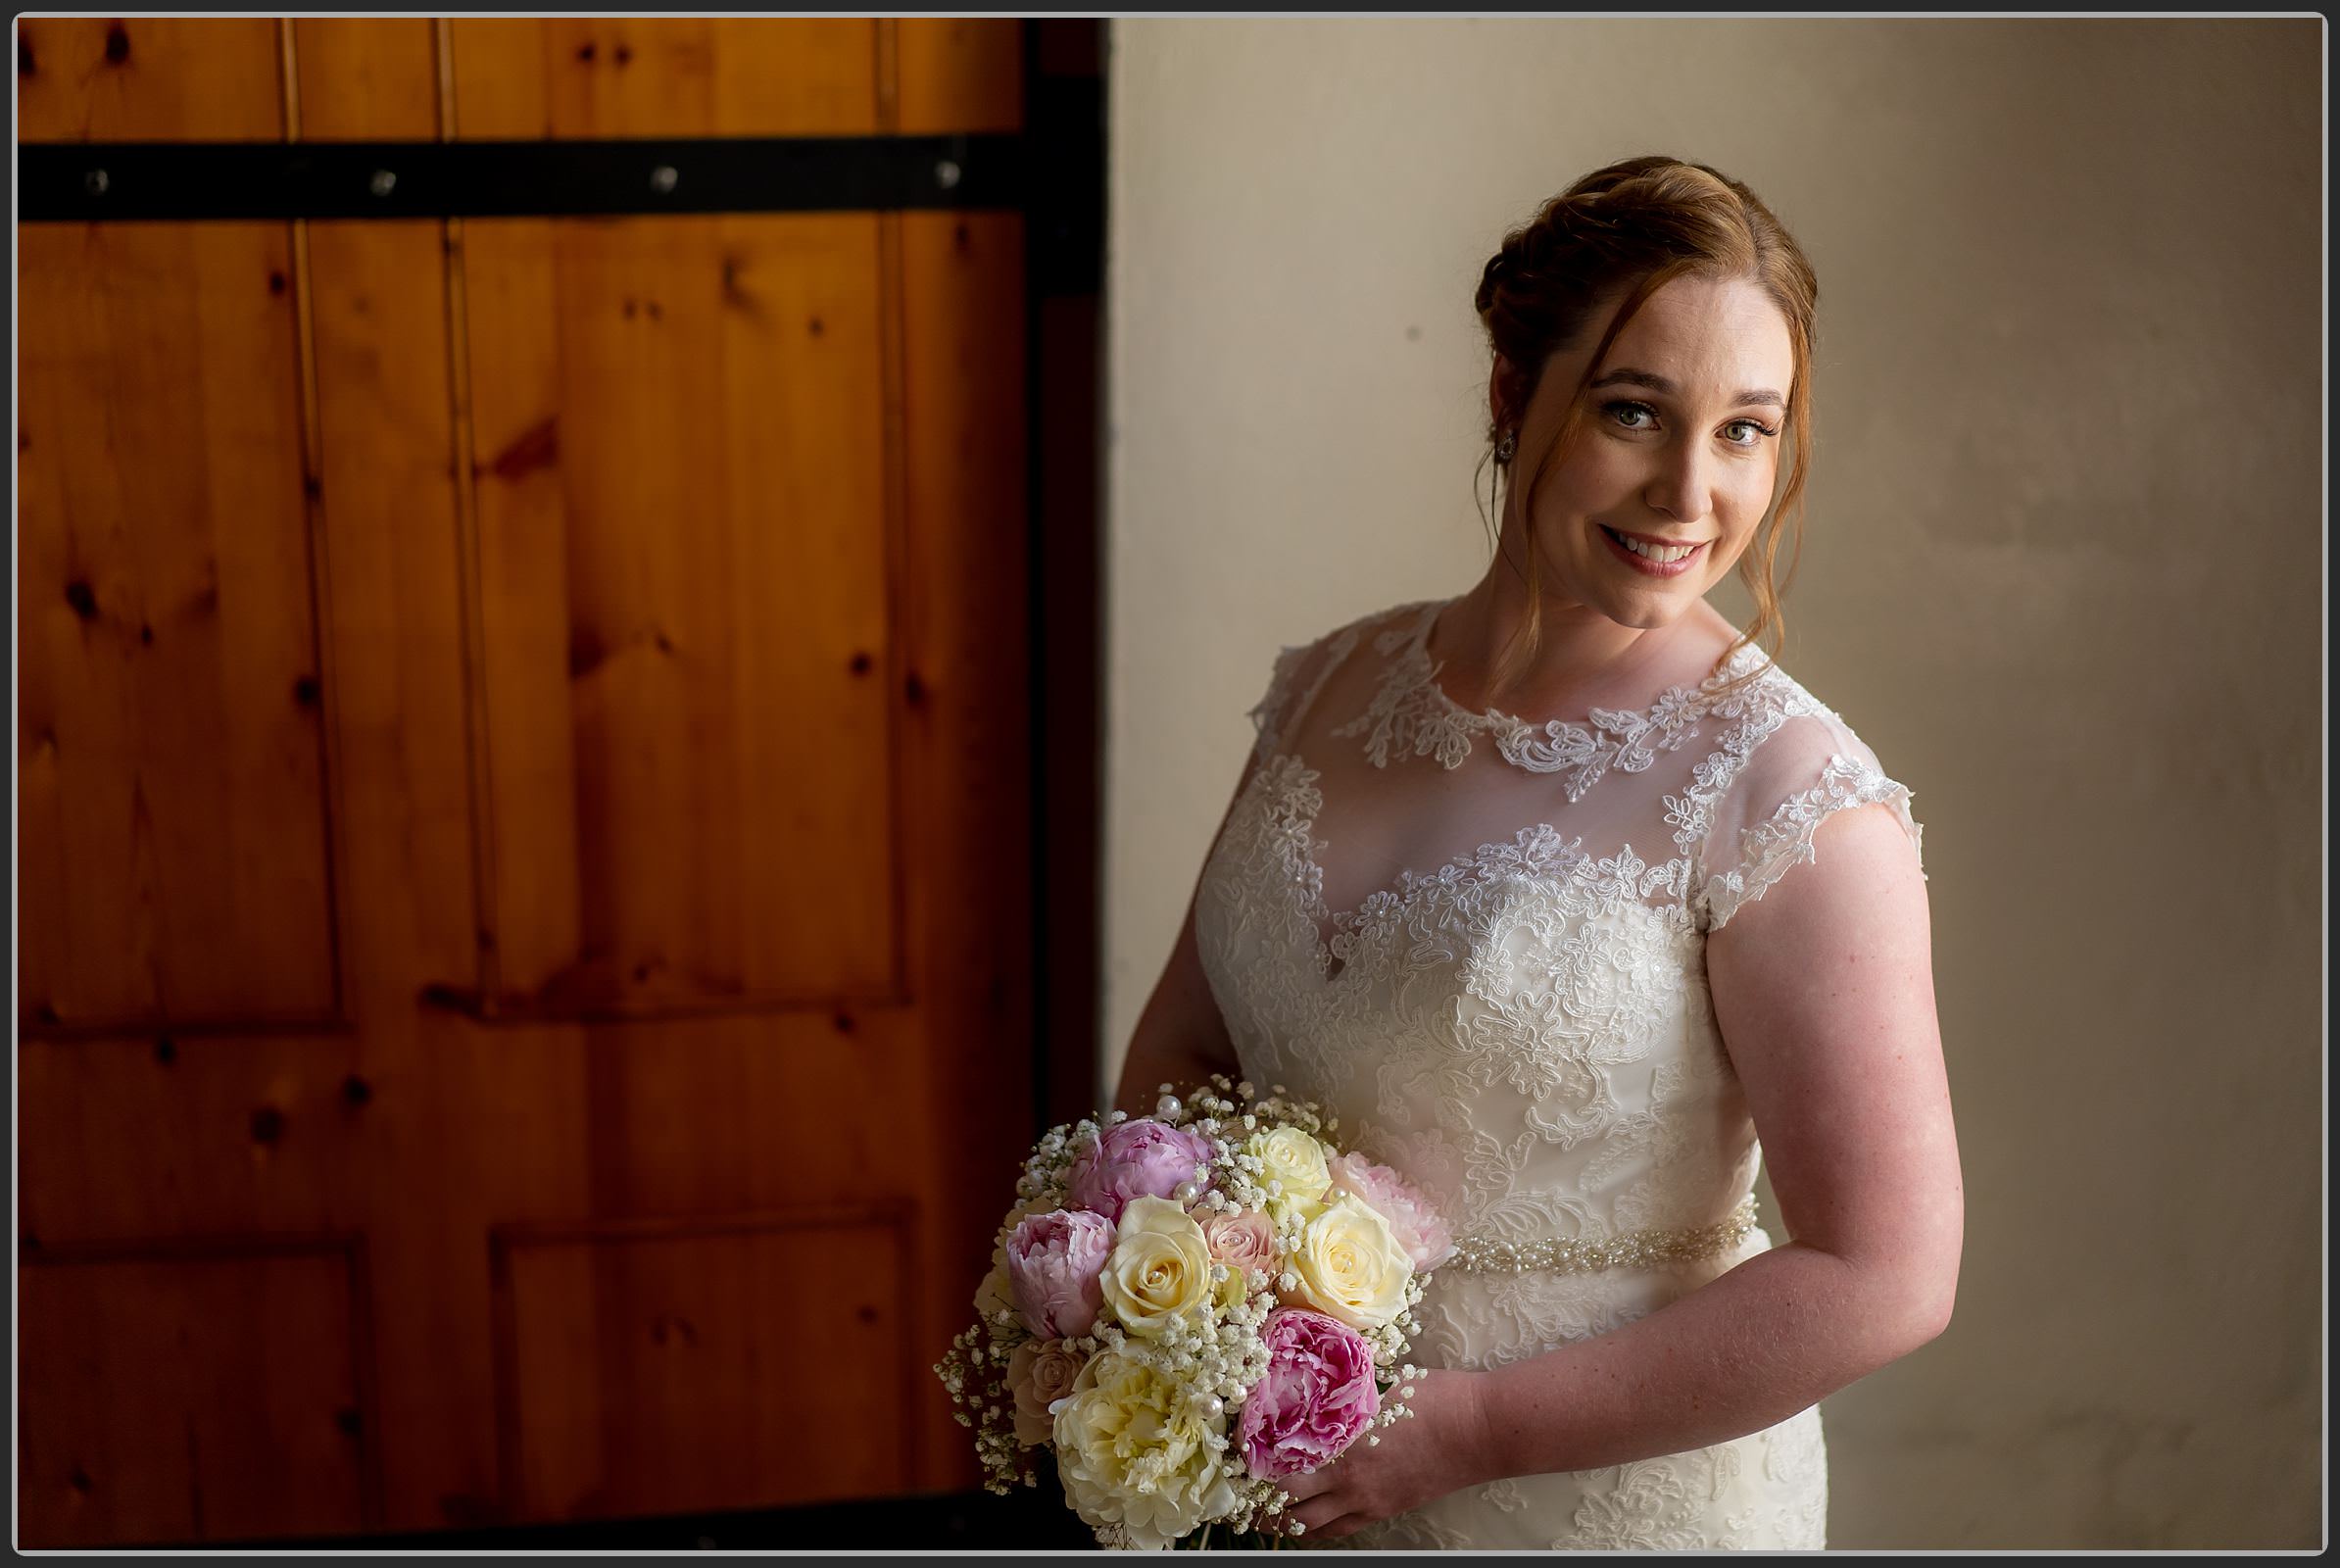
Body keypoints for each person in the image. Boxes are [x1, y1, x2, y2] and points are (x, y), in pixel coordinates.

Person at [1110, 155, 1960, 1549]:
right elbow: (1188, 1055)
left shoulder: (1792, 793)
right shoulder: (1328, 684)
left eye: (1749, 430)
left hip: (1597, 1514)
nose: (1693, 492)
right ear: (1514, 394)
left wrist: (1474, 1433)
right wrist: (1177, 1320)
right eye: (1637, 412)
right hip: (1298, 1501)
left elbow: (1887, 1273)